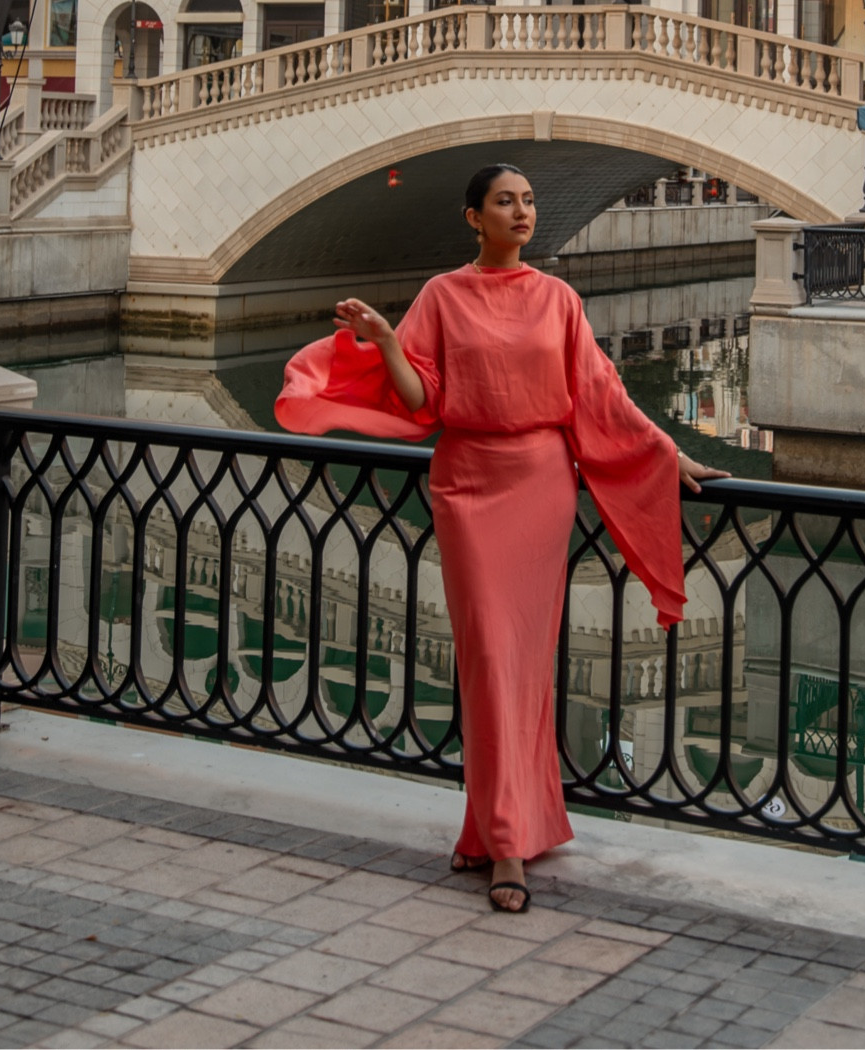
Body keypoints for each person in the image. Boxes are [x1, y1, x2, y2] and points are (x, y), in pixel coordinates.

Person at [275, 164, 728, 912]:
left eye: (527, 201)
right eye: (504, 202)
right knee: (487, 657)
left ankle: (502, 834)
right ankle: (505, 835)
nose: (522, 212)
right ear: (472, 217)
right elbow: (422, 399)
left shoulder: (558, 299)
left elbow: (601, 395)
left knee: (522, 663)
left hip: (541, 485)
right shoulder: (443, 296)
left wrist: (666, 453)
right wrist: (387, 339)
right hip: (467, 484)